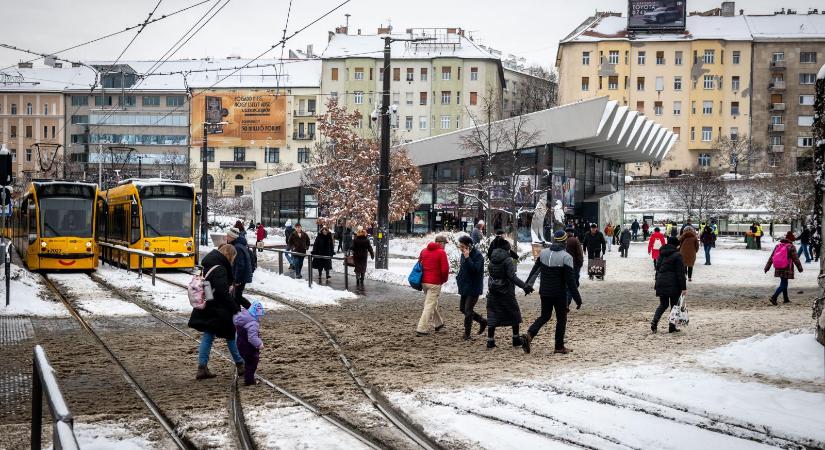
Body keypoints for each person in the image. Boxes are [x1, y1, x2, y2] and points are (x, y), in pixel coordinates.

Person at [188, 244, 246, 379]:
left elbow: (208, 286)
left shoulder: (209, 263)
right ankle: (240, 364)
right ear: (229, 255)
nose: (232, 261)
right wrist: (234, 307)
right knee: (230, 334)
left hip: (211, 305)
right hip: (220, 308)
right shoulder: (220, 268)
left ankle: (202, 368)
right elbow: (221, 291)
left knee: (208, 335)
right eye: (233, 258)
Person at [524, 230, 582, 354]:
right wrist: (578, 299)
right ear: (565, 242)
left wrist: (527, 285)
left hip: (544, 291)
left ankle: (529, 335)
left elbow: (534, 271)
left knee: (545, 316)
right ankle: (559, 346)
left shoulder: (543, 253)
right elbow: (571, 281)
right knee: (561, 319)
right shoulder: (566, 257)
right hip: (559, 294)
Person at [486, 238, 533, 350]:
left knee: (492, 315)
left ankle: (490, 341)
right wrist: (525, 286)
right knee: (514, 314)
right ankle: (516, 339)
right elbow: (512, 277)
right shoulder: (507, 260)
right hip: (506, 291)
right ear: (506, 249)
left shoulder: (492, 257)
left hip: (493, 290)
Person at [416, 234, 450, 337]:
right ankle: (421, 329)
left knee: (431, 303)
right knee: (429, 305)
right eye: (445, 244)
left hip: (424, 282)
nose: (445, 246)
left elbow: (419, 264)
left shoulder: (424, 251)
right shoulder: (441, 252)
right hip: (435, 283)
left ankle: (438, 324)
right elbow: (445, 270)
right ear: (441, 243)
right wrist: (443, 280)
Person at [652, 237, 687, 333]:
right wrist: (683, 287)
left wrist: (657, 283)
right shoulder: (677, 255)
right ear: (676, 245)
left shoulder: (661, 254)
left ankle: (654, 321)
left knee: (663, 304)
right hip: (673, 283)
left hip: (661, 282)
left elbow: (657, 269)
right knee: (674, 305)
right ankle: (672, 327)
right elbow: (680, 273)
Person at [456, 235, 487, 340]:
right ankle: (482, 321)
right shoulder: (463, 254)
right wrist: (459, 278)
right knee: (462, 309)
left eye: (462, 246)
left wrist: (468, 257)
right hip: (465, 286)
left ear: (469, 246)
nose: (461, 248)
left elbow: (475, 270)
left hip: (474, 286)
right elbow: (463, 269)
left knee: (468, 310)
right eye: (460, 246)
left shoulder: (478, 256)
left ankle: (467, 334)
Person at [765, 232, 804, 305]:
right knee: (783, 284)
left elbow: (772, 257)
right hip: (787, 267)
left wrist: (767, 267)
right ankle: (774, 297)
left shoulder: (778, 245)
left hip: (778, 267)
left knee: (784, 282)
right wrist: (800, 268)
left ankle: (786, 299)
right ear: (791, 240)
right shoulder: (791, 247)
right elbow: (796, 259)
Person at [233, 301, 264, 386]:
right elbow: (252, 337)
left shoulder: (243, 319)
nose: (260, 318)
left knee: (248, 362)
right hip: (249, 347)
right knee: (252, 363)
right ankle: (249, 380)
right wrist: (259, 344)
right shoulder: (253, 324)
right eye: (259, 316)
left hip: (241, 344)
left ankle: (249, 378)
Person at [225, 228, 253, 304]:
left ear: (232, 237)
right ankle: (237, 311)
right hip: (241, 276)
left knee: (237, 297)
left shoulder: (237, 247)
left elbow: (240, 265)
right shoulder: (239, 245)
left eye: (228, 236)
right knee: (235, 297)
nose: (226, 237)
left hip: (241, 277)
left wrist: (237, 280)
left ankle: (251, 309)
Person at [564, 226, 584, 304]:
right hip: (574, 266)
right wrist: (580, 265)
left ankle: (565, 301)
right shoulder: (575, 240)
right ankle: (567, 302)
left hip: (563, 266)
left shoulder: (563, 241)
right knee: (573, 285)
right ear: (572, 233)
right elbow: (579, 254)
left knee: (566, 285)